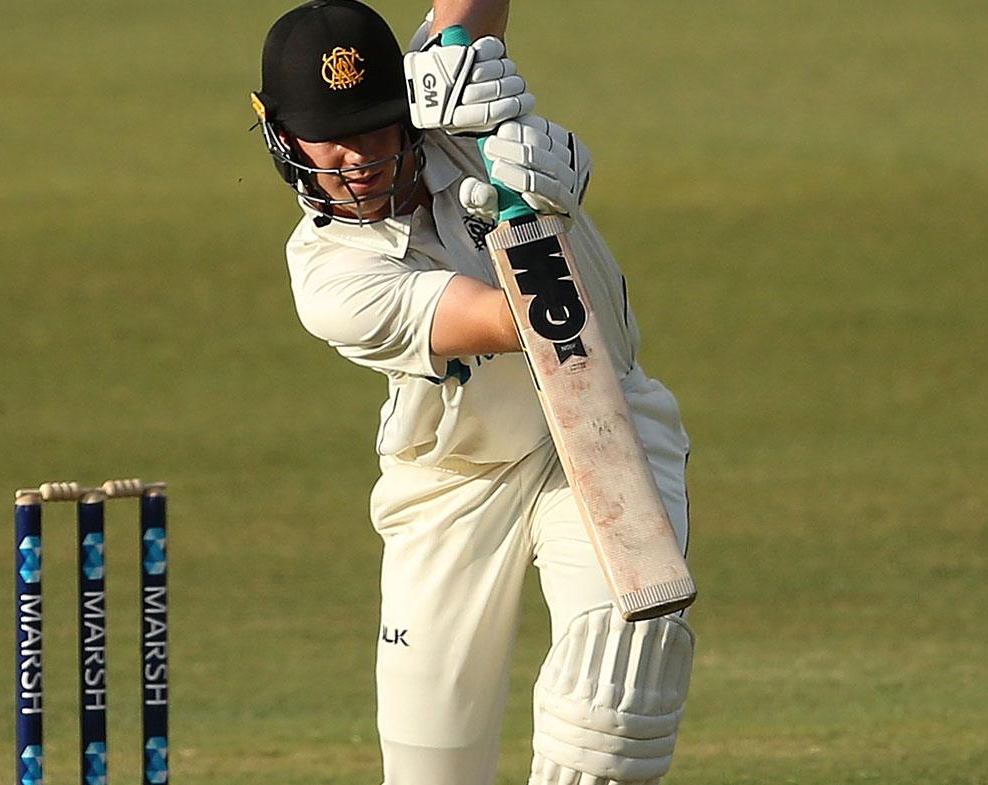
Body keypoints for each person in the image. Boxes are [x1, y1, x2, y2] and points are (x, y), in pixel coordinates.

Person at [251, 2, 695, 783]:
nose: (358, 156)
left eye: (377, 125)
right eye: (334, 135)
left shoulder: (449, 107)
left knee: (616, 684)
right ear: (284, 137)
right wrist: (542, 214)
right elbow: (514, 319)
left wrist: (476, 72)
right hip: (451, 484)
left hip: (596, 426)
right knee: (434, 769)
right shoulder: (330, 278)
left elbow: (469, 13)